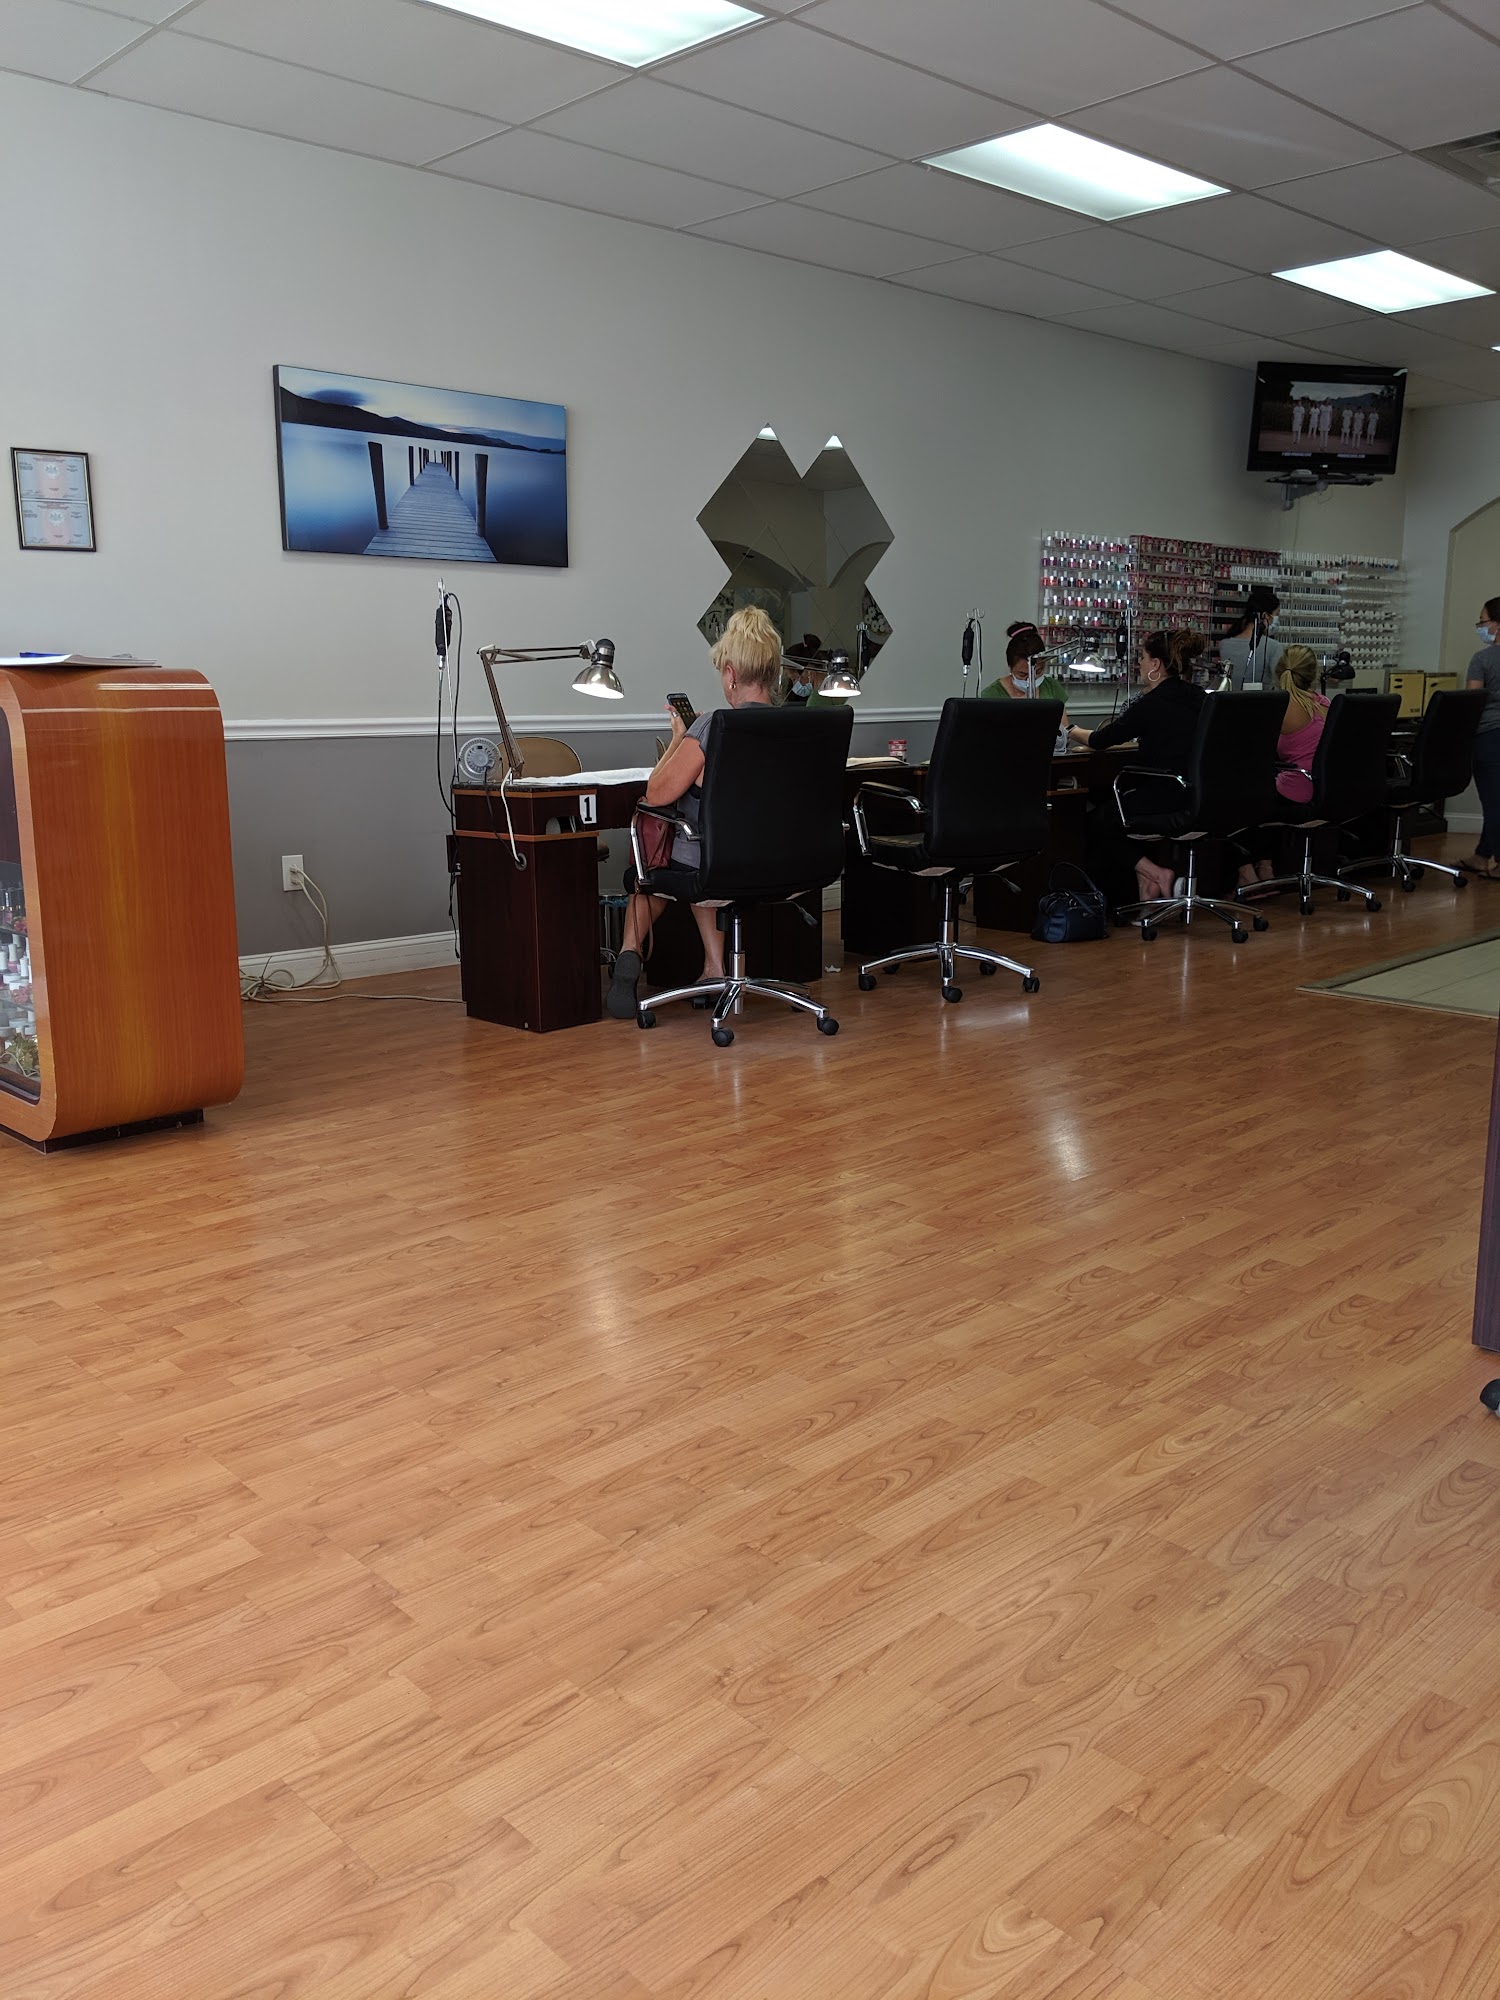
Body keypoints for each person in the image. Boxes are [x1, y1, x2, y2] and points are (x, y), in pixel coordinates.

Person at [606, 606, 782, 1017]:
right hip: (778, 863)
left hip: (715, 863)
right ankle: (715, 968)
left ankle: (631, 951)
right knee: (705, 847)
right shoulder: (797, 728)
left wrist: (678, 739)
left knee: (662, 859)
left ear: (731, 674)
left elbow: (657, 793)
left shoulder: (712, 726)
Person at [1069, 629, 1207, 909]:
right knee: (1111, 804)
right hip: (1196, 796)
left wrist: (1069, 729)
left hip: (1164, 795)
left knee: (1098, 820)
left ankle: (1155, 873)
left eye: (1142, 658)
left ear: (1156, 664)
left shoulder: (1151, 703)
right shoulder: (1201, 697)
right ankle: (1146, 885)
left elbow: (1099, 740)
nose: (1140, 664)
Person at [1235, 645, 1328, 890]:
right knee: (1265, 792)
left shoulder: (1282, 708)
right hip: (1324, 790)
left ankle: (1248, 873)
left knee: (1236, 800)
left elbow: (1255, 748)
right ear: (1313, 674)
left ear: (1278, 672)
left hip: (1298, 789)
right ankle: (1266, 867)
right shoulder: (1325, 704)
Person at [1464, 596, 1500, 879]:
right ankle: (1481, 856)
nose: (1480, 626)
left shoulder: (1482, 659)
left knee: (1493, 801)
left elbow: (1472, 701)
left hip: (1489, 736)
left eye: (1483, 621)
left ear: (1497, 625)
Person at [981, 622, 1068, 724]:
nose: (1031, 679)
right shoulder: (992, 695)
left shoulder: (1052, 687)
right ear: (1010, 667)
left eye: (1038, 671)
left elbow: (1065, 728)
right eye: (1023, 674)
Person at [1219, 586, 1284, 691]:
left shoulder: (1224, 645)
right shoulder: (1273, 647)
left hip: (1230, 700)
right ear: (1265, 616)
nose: (1277, 620)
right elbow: (1281, 682)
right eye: (1277, 614)